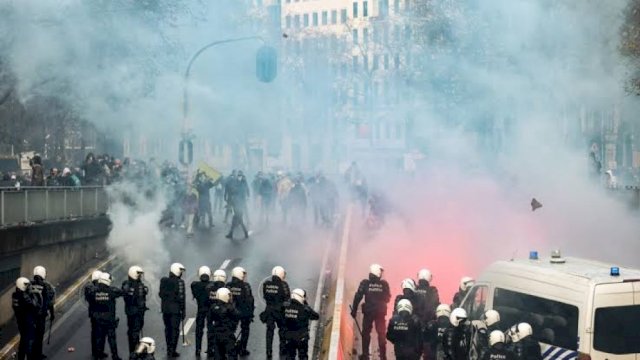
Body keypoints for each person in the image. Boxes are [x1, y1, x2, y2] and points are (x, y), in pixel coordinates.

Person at [350, 264, 391, 360]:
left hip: (368, 312)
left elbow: (358, 296)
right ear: (378, 272)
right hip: (380, 313)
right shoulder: (384, 284)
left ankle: (365, 355)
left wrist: (354, 310)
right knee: (381, 333)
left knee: (366, 333)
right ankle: (383, 356)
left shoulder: (365, 283)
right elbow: (388, 298)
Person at [91, 272, 124, 360]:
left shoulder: (94, 291)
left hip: (98, 319)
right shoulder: (111, 291)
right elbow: (122, 292)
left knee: (99, 338)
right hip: (109, 320)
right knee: (112, 339)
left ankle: (98, 355)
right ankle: (115, 356)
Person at [260, 266, 291, 358]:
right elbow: (287, 299)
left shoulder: (266, 284)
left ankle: (268, 351)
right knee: (282, 330)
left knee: (269, 331)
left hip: (269, 311)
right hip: (280, 311)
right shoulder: (284, 284)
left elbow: (265, 296)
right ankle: (282, 349)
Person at [281, 288, 319, 360]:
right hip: (302, 338)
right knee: (303, 356)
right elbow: (316, 316)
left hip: (289, 337)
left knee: (290, 356)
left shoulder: (285, 307)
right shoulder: (304, 309)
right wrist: (305, 304)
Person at [159, 263, 186, 358]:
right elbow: (182, 298)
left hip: (165, 310)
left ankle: (168, 349)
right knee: (175, 330)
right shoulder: (180, 282)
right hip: (175, 310)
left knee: (168, 329)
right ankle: (172, 350)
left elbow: (160, 294)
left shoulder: (163, 280)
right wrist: (183, 310)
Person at [227, 266, 255, 357]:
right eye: (243, 274)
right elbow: (249, 300)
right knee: (245, 330)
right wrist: (250, 314)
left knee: (230, 330)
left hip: (230, 312)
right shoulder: (246, 285)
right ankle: (242, 349)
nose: (244, 276)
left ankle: (230, 348)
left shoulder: (228, 285)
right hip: (243, 313)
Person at [122, 266, 148, 356]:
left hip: (131, 312)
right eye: (139, 274)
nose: (140, 276)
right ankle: (135, 353)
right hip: (136, 313)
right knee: (135, 332)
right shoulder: (136, 286)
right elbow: (138, 300)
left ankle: (133, 351)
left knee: (132, 332)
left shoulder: (126, 284)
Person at [12, 277, 41, 360]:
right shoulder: (25, 297)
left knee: (23, 341)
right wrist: (31, 295)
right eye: (25, 285)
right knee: (29, 342)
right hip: (27, 321)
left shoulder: (15, 295)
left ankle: (21, 357)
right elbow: (34, 305)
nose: (27, 286)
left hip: (20, 321)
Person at [31, 266, 55, 360]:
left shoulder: (29, 284)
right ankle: (38, 354)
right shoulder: (46, 286)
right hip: (41, 316)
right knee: (39, 336)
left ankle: (32, 354)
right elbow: (50, 302)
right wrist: (52, 314)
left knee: (32, 335)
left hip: (31, 316)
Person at [209, 287, 240, 359]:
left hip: (216, 335)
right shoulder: (229, 308)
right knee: (232, 354)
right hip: (227, 335)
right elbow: (237, 315)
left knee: (218, 355)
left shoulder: (213, 307)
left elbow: (210, 320)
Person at [206, 270, 228, 357]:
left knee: (210, 331)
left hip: (211, 312)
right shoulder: (226, 289)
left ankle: (210, 348)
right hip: (223, 313)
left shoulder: (208, 288)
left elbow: (206, 300)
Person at [191, 266, 212, 357]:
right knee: (210, 330)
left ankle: (198, 349)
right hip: (210, 310)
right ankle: (210, 348)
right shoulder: (212, 285)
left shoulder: (195, 285)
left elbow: (194, 291)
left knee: (199, 330)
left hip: (200, 310)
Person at [85, 270, 104, 359]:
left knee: (96, 333)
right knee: (98, 333)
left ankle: (97, 351)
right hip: (97, 313)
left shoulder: (90, 288)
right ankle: (97, 352)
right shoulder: (92, 289)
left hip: (95, 313)